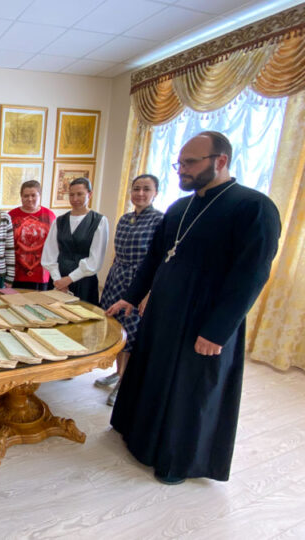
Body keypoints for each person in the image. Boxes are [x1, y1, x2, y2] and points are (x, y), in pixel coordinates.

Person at [106, 131, 280, 485]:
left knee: (187, 391)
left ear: (220, 161)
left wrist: (218, 331)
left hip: (204, 319)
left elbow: (251, 276)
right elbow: (156, 258)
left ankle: (176, 461)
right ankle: (137, 438)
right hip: (163, 314)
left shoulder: (253, 207)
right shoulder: (179, 208)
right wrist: (132, 295)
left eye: (189, 163)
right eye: (179, 163)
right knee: (152, 376)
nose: (181, 170)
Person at [96, 174, 164, 406]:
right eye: (136, 188)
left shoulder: (159, 220)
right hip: (117, 278)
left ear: (155, 193)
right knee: (115, 328)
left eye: (146, 189)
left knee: (132, 334)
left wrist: (147, 293)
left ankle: (124, 384)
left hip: (140, 282)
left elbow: (159, 261)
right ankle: (118, 372)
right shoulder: (125, 219)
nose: (140, 193)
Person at [41, 177, 109, 304]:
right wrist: (58, 280)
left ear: (90, 194)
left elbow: (95, 260)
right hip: (58, 278)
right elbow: (50, 253)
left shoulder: (99, 221)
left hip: (84, 280)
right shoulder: (59, 221)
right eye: (71, 195)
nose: (75, 199)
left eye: (80, 194)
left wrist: (69, 279)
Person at [8, 180, 56, 290]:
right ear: (21, 196)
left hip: (42, 273)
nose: (30, 199)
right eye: (26, 196)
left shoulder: (49, 216)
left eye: (33, 195)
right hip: (17, 273)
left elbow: (54, 245)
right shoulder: (11, 216)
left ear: (40, 195)